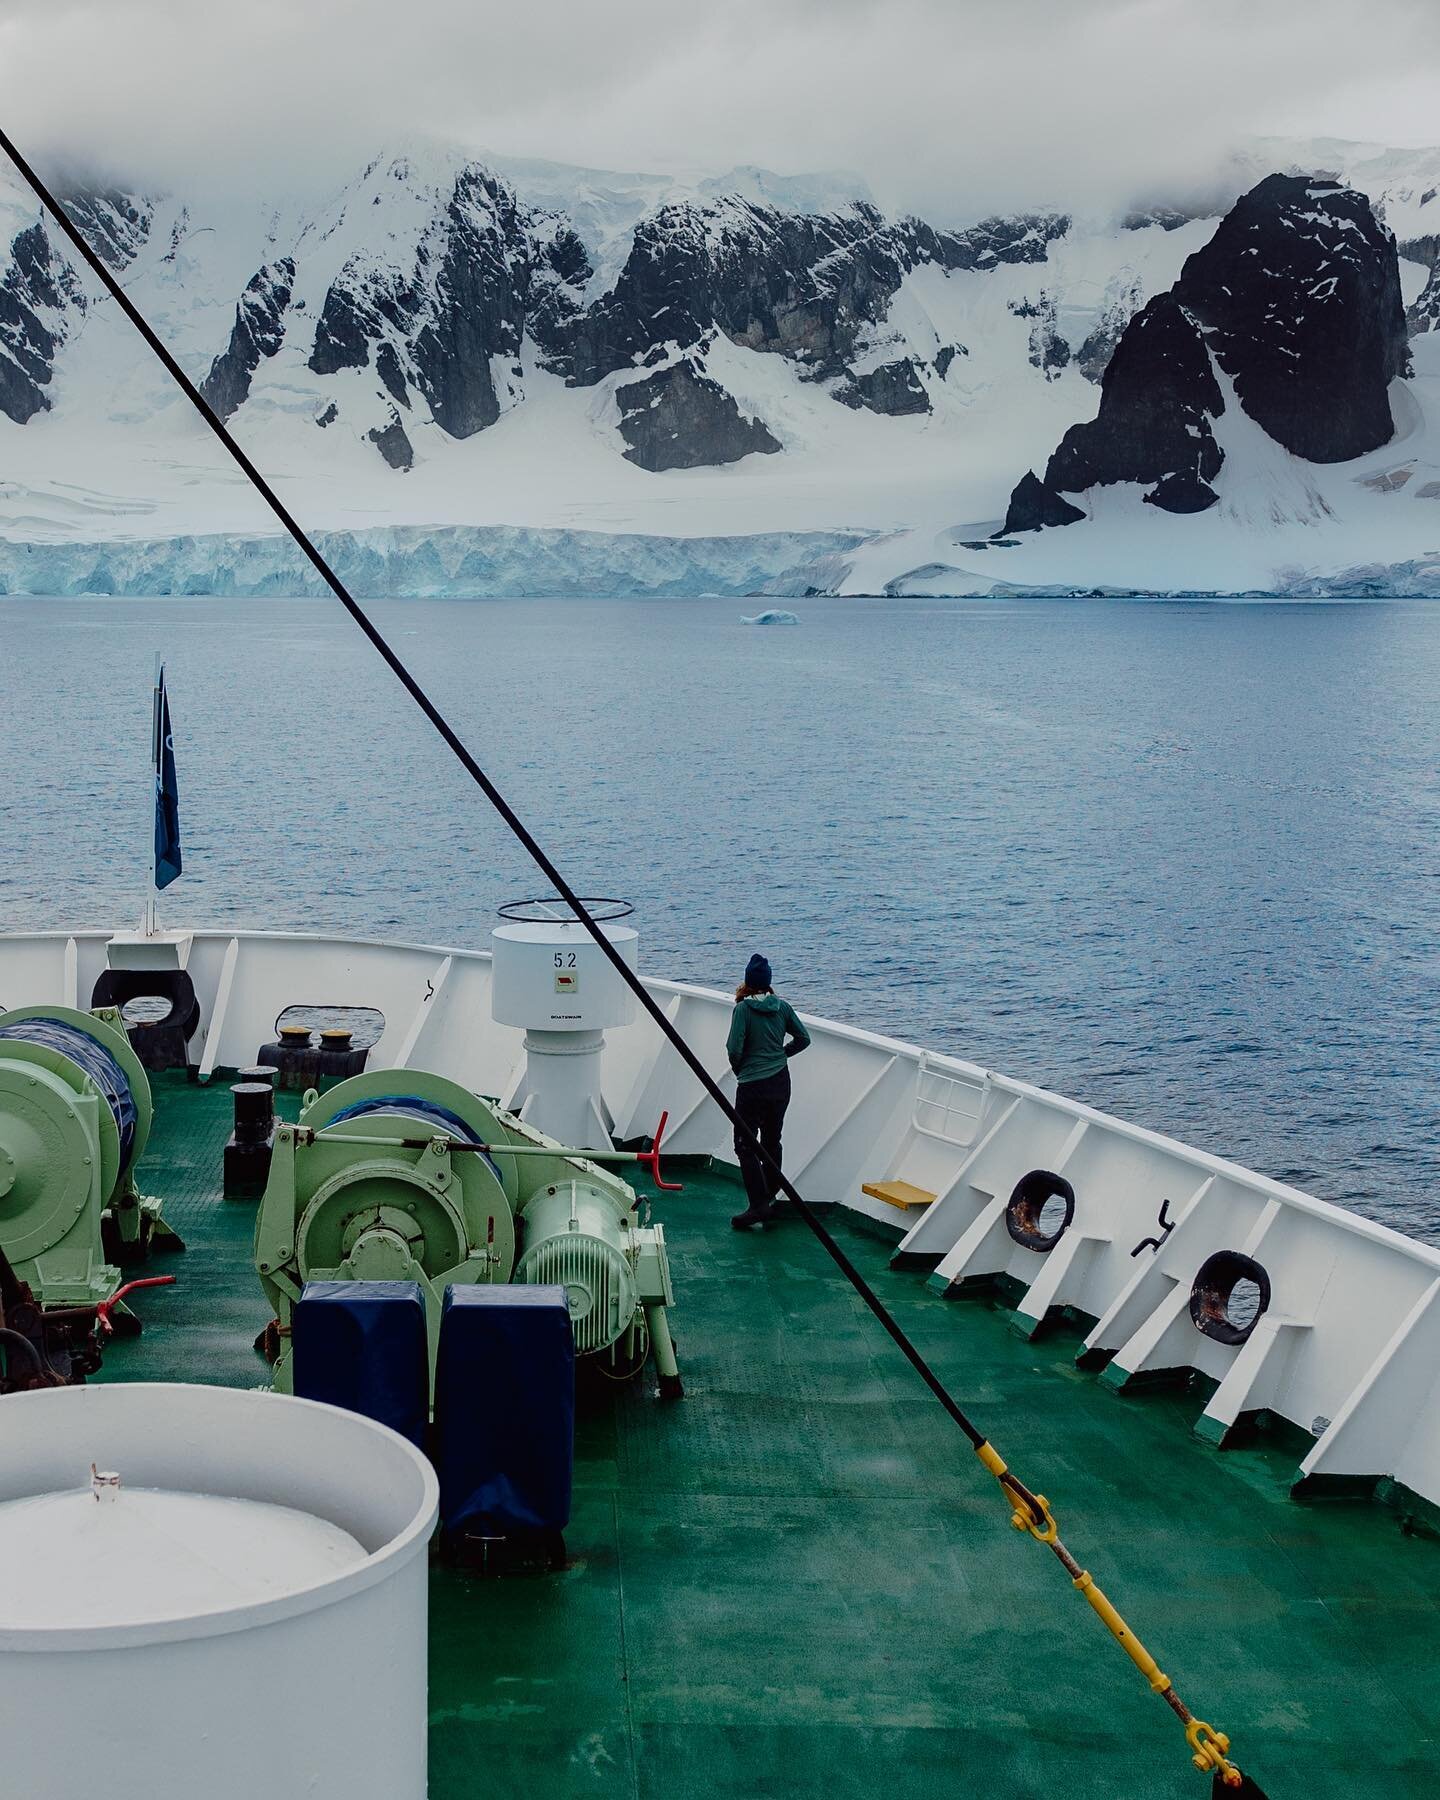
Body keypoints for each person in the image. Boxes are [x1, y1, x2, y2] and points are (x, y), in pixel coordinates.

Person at [726, 953, 810, 1229]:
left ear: (747, 982)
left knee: (744, 1144)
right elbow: (803, 1038)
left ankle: (758, 1205)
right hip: (780, 1082)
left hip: (753, 1086)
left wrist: (743, 1071)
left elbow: (734, 1049)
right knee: (772, 1139)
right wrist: (782, 1055)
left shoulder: (743, 1010)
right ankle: (770, 1196)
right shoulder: (782, 1007)